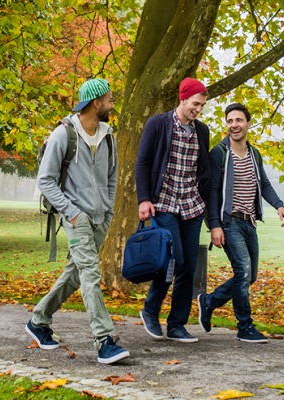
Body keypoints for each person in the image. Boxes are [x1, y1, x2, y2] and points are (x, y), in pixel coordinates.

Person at [25, 78, 129, 364]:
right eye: (109, 99)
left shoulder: (108, 136)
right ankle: (104, 340)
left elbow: (111, 178)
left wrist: (107, 211)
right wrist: (71, 212)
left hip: (100, 217)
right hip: (76, 218)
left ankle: (39, 320)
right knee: (90, 276)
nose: (111, 103)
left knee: (75, 273)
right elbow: (45, 181)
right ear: (96, 103)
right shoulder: (64, 134)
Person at [198, 103, 284, 343]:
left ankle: (209, 301)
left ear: (248, 124)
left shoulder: (253, 153)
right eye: (230, 121)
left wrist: (278, 205)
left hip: (249, 222)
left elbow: (265, 184)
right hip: (230, 222)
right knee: (243, 271)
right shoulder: (220, 153)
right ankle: (245, 326)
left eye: (238, 120)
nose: (234, 125)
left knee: (251, 275)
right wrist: (215, 225)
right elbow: (213, 191)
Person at [135, 77, 210, 343]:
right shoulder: (158, 124)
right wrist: (144, 199)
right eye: (195, 104)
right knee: (172, 259)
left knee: (189, 266)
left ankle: (177, 324)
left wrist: (207, 209)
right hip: (164, 202)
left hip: (191, 206)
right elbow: (143, 162)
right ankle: (150, 310)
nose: (198, 110)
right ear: (183, 99)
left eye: (201, 106)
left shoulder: (202, 131)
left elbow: (204, 171)